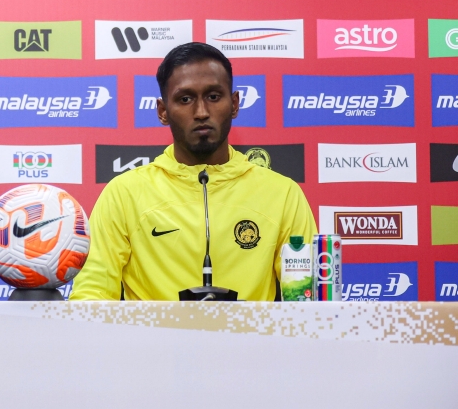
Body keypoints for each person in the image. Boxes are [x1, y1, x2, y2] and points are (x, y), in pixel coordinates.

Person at [70, 43, 317, 301]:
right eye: (185, 99)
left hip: (250, 341)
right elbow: (91, 297)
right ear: (163, 111)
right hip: (152, 342)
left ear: (234, 104)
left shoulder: (283, 194)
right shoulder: (123, 194)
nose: (201, 112)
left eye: (213, 96)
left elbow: (306, 302)